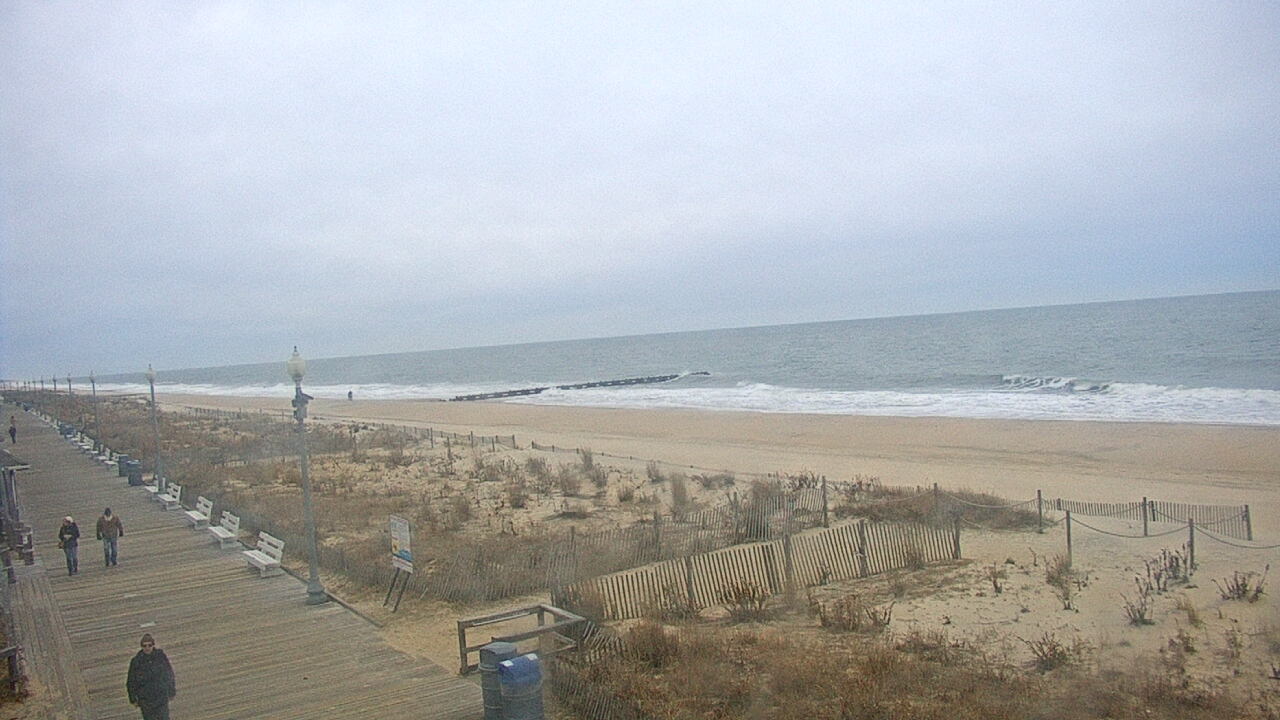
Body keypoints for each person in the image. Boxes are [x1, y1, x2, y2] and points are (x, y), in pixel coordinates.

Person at [127, 633, 176, 720]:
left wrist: (171, 691)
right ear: (141, 647)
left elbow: (169, 674)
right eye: (144, 646)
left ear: (153, 645)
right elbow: (131, 681)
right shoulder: (136, 661)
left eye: (149, 645)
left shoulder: (160, 657)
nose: (147, 648)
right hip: (145, 699)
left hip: (160, 695)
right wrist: (133, 698)